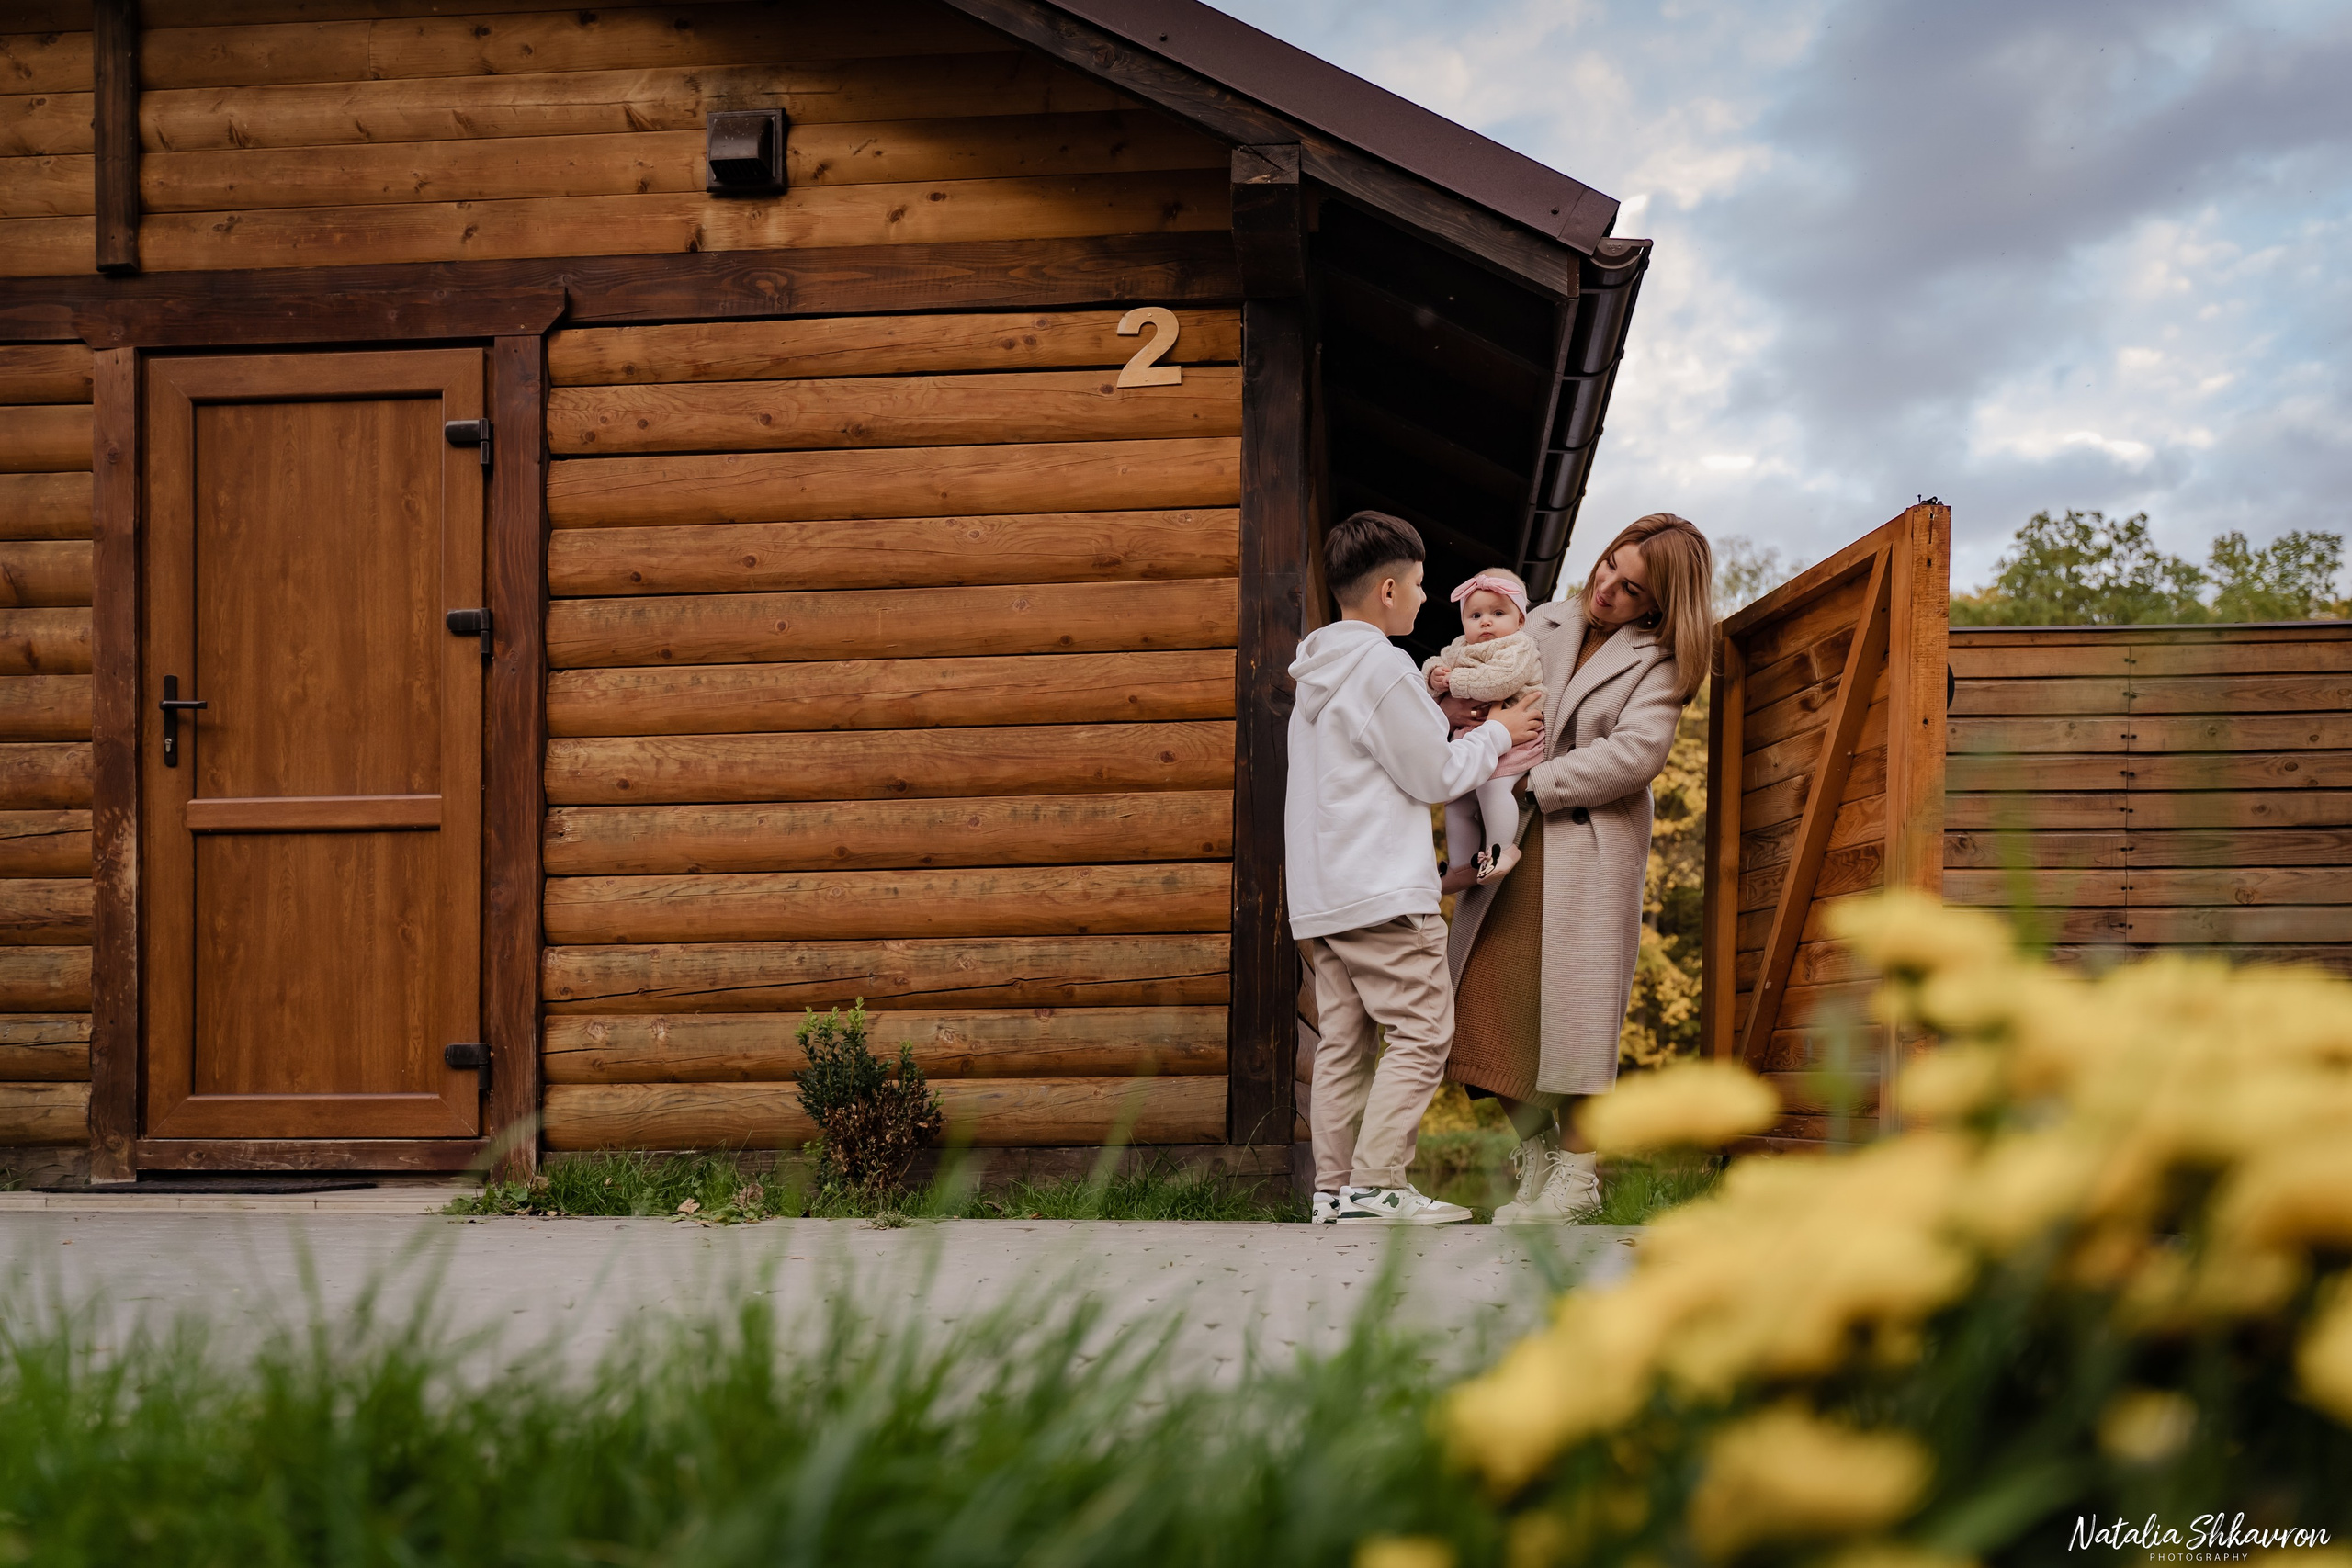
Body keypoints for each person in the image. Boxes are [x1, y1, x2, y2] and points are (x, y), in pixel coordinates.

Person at [1444, 513, 1716, 1224]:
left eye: (1631, 589)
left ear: (1658, 604)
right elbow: (1481, 671)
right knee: (1475, 996)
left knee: (1576, 1020)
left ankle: (1578, 1179)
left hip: (1581, 850)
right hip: (1508, 843)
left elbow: (1636, 756)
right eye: (1609, 568)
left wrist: (1537, 782)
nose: (1608, 589)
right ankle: (1537, 1155)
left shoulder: (1660, 662)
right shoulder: (1541, 621)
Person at [1287, 511, 1545, 1225]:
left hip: (1323, 895)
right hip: (1378, 890)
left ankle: (1333, 1191)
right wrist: (1501, 730)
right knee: (1424, 1033)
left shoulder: (1317, 674)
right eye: (1424, 586)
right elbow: (1433, 773)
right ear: (1391, 589)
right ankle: (1377, 1186)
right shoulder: (1380, 665)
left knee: (1344, 1043)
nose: (1430, 600)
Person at [1422, 568, 1547, 887]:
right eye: (1475, 614)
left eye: (1497, 612)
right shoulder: (1460, 647)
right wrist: (1434, 674)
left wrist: (1455, 681)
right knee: (1458, 799)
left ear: (1520, 620)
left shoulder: (1518, 646)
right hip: (1476, 736)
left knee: (1493, 786)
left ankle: (1502, 849)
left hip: (1516, 734)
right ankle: (1462, 866)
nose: (1485, 621)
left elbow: (1500, 682)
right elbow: (1436, 661)